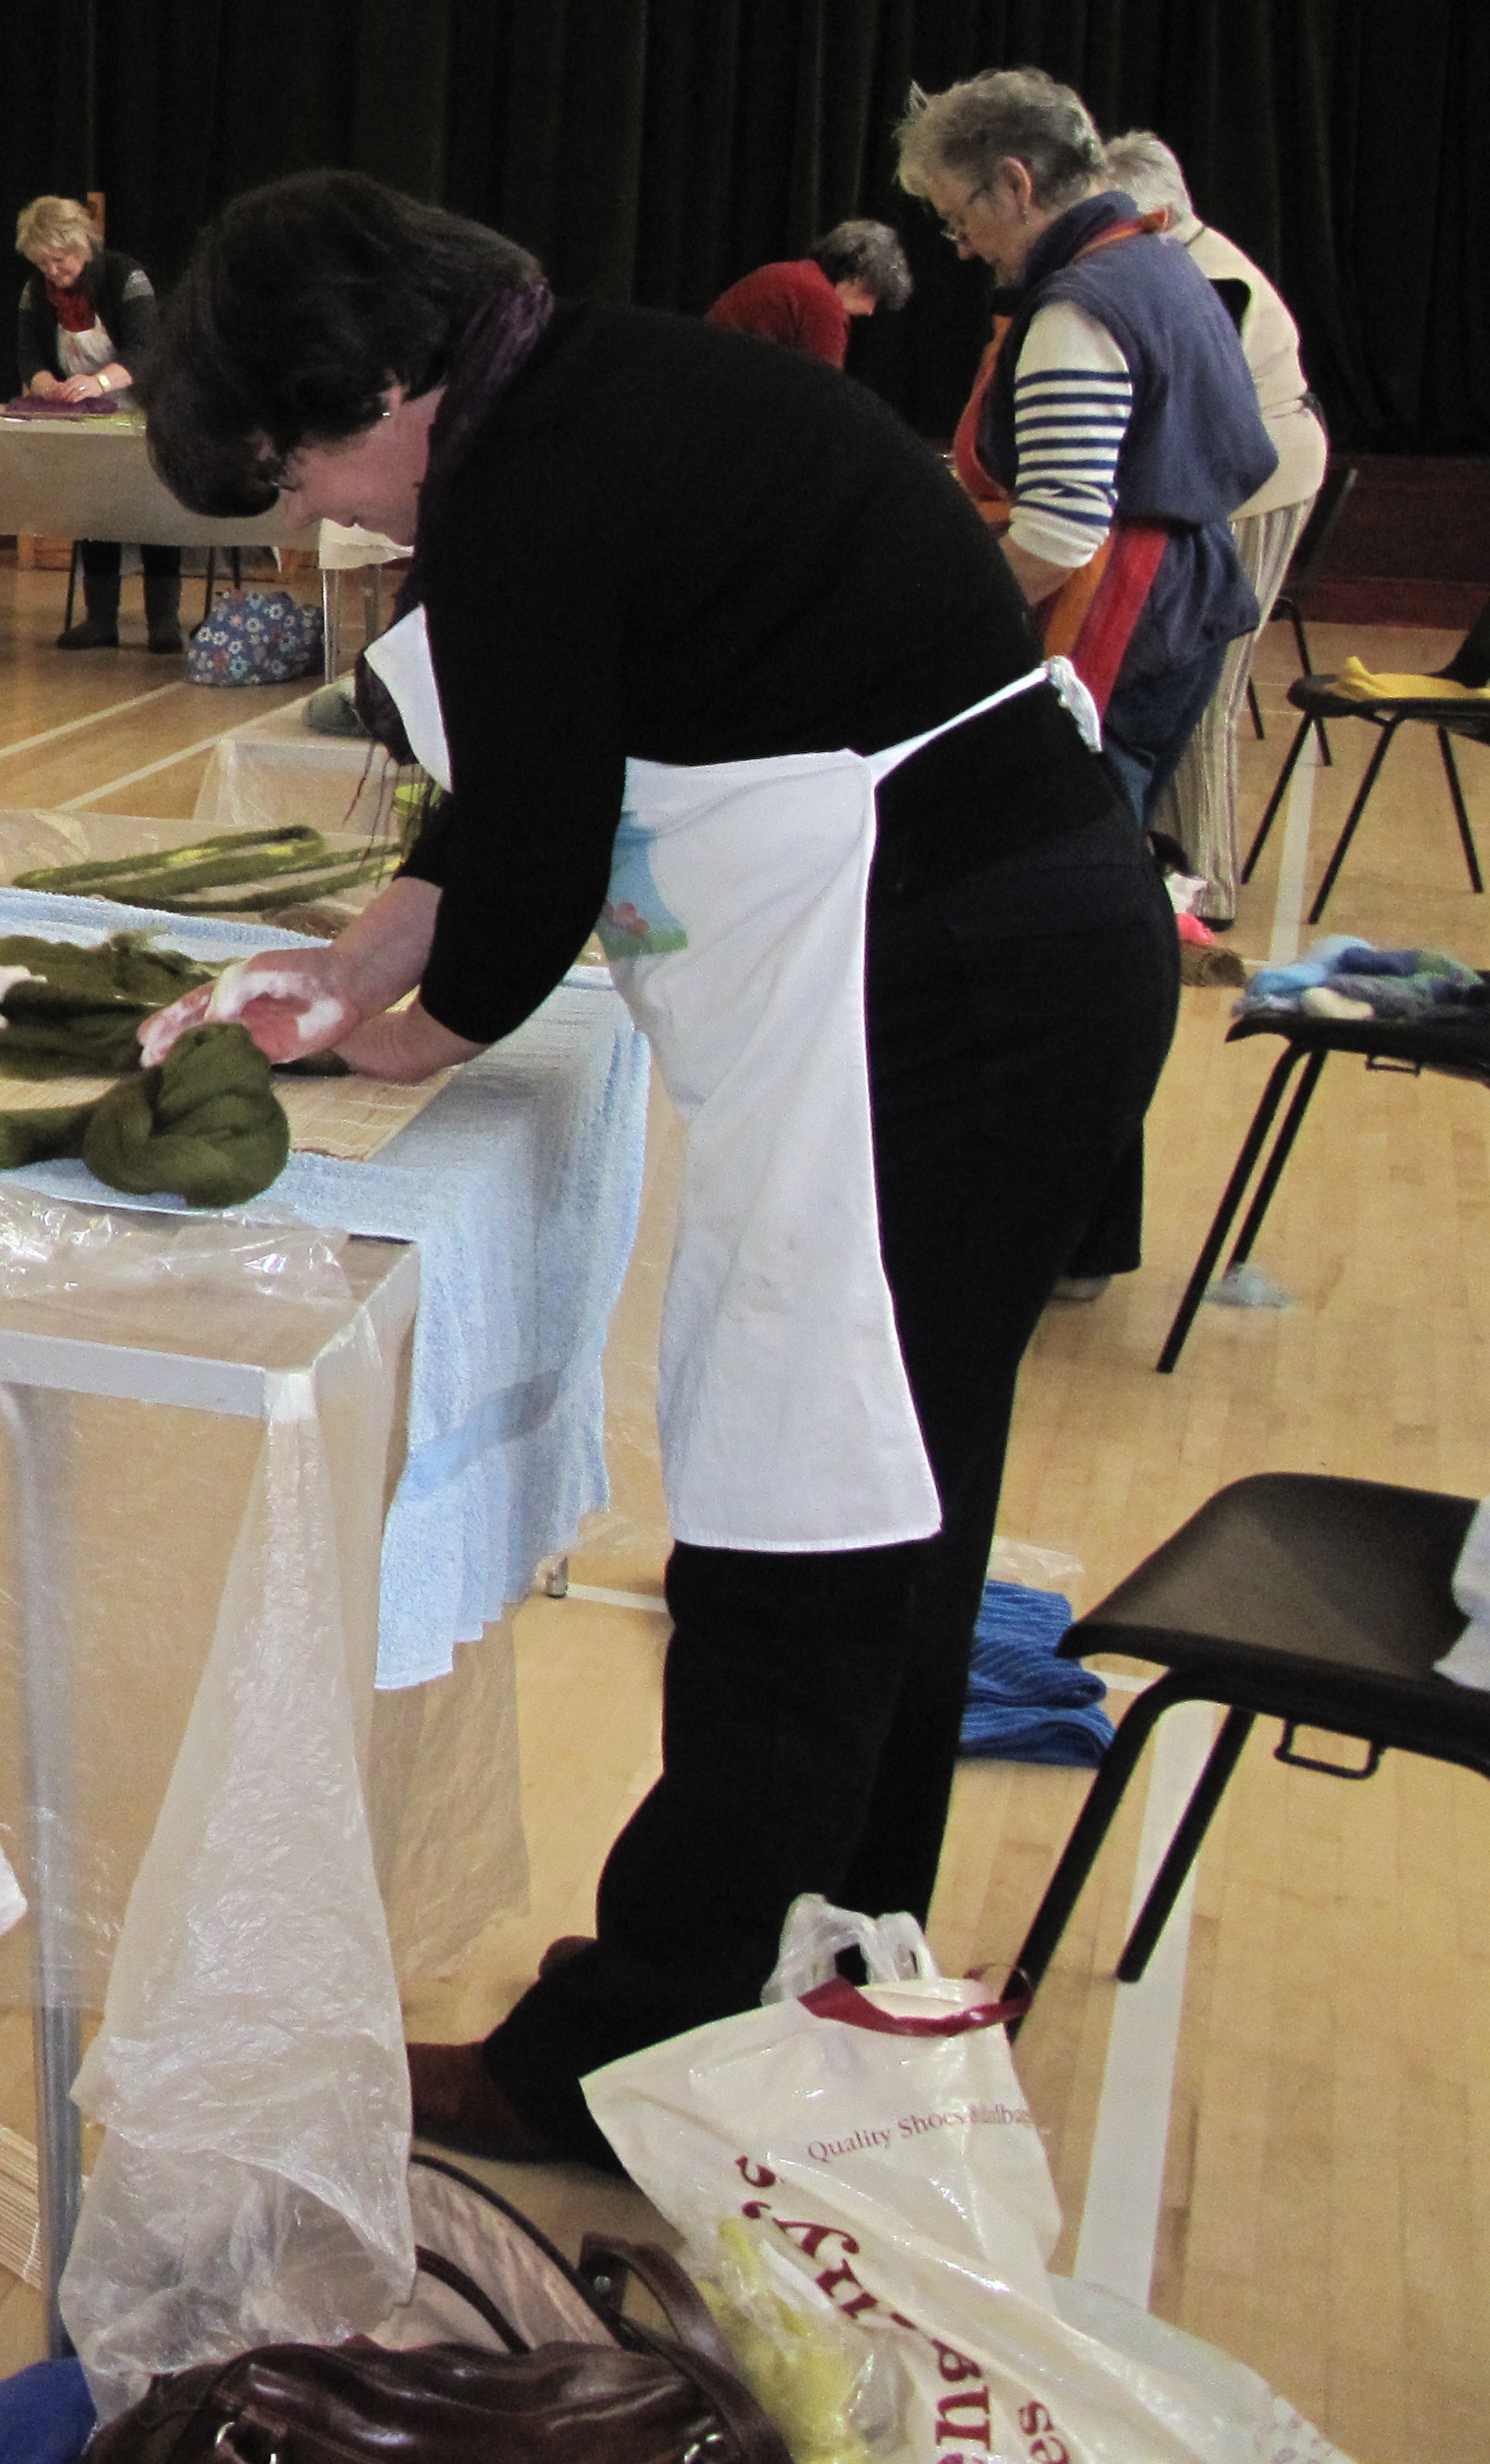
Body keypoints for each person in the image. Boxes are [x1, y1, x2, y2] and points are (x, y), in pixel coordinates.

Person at [134, 168, 1175, 2168]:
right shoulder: (583, 393)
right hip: (1014, 958)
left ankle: (632, 2050)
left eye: (303, 465)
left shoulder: (533, 476)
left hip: (950, 988)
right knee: (889, 1496)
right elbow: (516, 790)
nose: (321, 512)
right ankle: (824, 1966)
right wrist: (355, 965)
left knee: (805, 1517)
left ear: (371, 384)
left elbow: (533, 869)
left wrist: (393, 1041)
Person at [898, 70, 1274, 825]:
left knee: (1057, 853)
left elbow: (1059, 537)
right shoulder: (1155, 256)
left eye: (958, 218)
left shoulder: (1079, 310)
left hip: (1123, 623)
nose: (963, 248)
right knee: (1108, 846)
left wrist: (938, 628)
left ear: (1016, 184)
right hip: (1182, 607)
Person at [1104, 131, 1327, 913]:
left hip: (1262, 481)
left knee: (1205, 687)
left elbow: (1190, 413)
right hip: (1242, 474)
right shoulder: (1187, 260)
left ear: (1156, 212)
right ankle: (1164, 875)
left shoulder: (1210, 277)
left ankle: (1204, 892)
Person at [16, 195, 179, 651]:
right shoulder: (35, 291)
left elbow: (148, 350)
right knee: (97, 511)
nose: (52, 271)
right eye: (43, 262)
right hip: (86, 417)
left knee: (153, 514)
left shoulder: (126, 277)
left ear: (83, 245)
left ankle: (163, 623)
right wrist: (47, 384)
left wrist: (99, 382)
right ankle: (101, 619)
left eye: (60, 259)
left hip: (143, 409)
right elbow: (29, 356)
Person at [699, 219, 911, 363]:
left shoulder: (788, 273)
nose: (870, 310)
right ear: (858, 275)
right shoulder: (822, 304)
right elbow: (824, 395)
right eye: (872, 296)